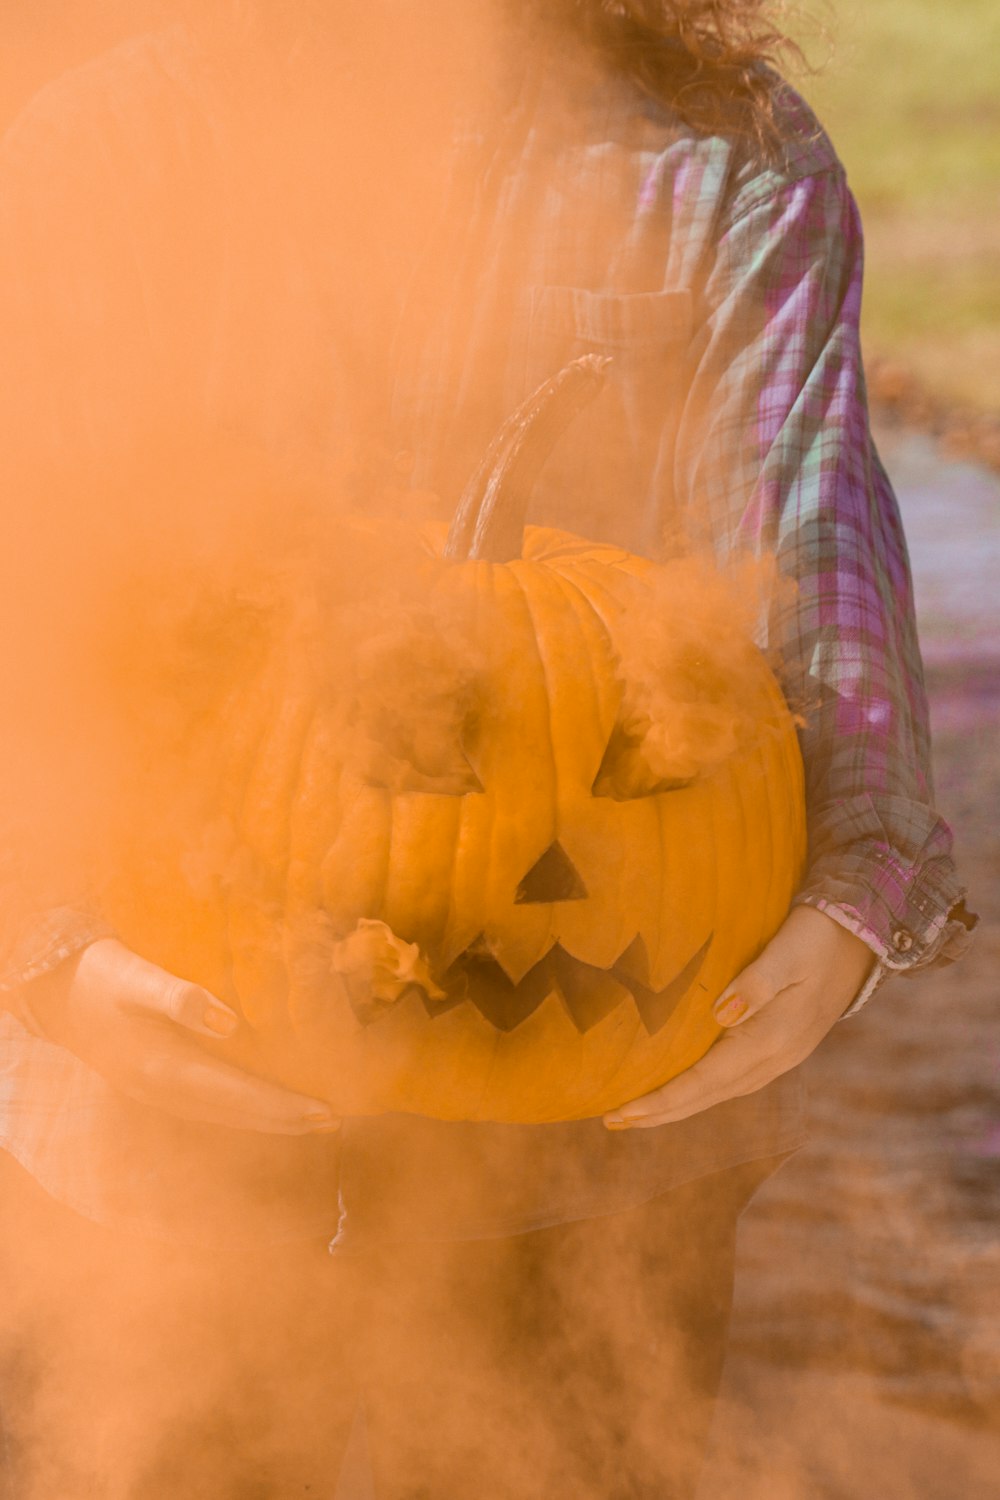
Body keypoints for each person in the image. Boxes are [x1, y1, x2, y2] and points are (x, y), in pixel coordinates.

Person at [0, 3, 975, 1496]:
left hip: (606, 1132)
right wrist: (45, 943)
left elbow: (811, 539)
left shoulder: (729, 166)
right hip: (152, 1120)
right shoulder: (99, 160)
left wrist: (850, 899)